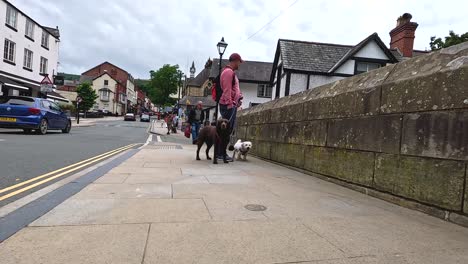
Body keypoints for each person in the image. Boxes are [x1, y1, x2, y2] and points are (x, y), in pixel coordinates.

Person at [218, 53, 244, 161]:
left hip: (230, 104)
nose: (240, 64)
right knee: (226, 131)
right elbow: (227, 90)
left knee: (226, 131)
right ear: (235, 61)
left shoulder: (229, 72)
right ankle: (220, 154)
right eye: (239, 62)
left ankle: (220, 153)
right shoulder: (229, 72)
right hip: (228, 105)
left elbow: (232, 90)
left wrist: (238, 97)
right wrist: (230, 104)